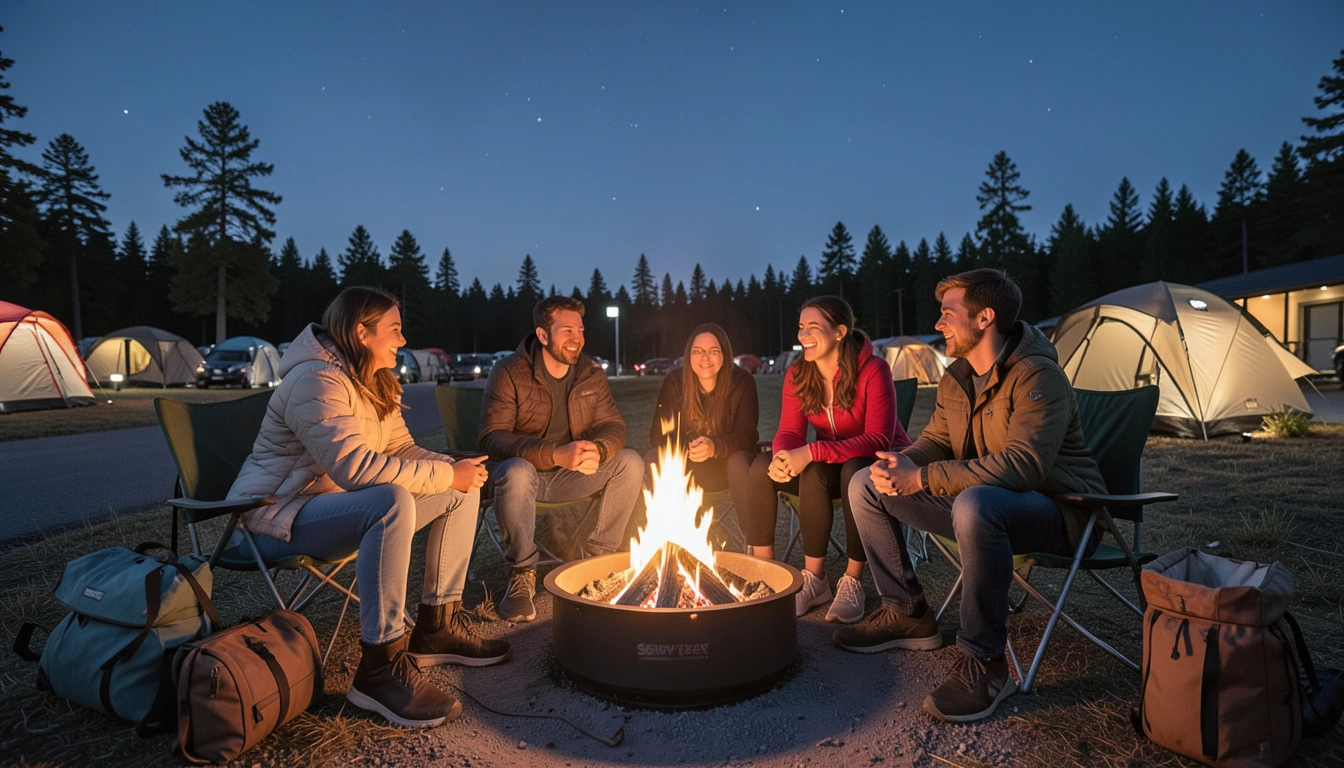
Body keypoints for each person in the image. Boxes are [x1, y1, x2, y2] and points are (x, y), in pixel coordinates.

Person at [230, 287, 510, 730]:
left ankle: (438, 623)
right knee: (390, 501)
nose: (402, 340)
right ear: (362, 332)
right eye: (394, 330)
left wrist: (451, 467)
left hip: (332, 507)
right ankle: (380, 667)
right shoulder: (315, 380)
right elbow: (355, 470)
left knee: (462, 489)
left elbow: (400, 448)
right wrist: (443, 474)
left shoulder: (372, 380)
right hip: (273, 517)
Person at [835, 268, 1106, 724]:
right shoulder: (957, 377)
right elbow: (936, 441)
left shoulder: (1039, 376)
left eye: (947, 314)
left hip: (1062, 512)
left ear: (984, 318)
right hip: (980, 506)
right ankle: (907, 612)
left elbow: (1024, 467)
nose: (938, 324)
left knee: (975, 504)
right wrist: (901, 463)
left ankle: (985, 661)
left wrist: (923, 478)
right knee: (864, 483)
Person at [727, 296, 910, 622]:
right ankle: (789, 578)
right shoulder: (799, 373)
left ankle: (850, 580)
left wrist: (810, 452)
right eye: (801, 327)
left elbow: (878, 440)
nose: (804, 335)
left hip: (875, 465)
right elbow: (789, 430)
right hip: (829, 465)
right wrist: (783, 456)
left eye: (814, 327)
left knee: (851, 471)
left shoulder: (873, 369)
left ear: (840, 331)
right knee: (764, 467)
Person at [479, 295, 643, 623]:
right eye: (566, 330)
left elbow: (613, 424)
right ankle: (522, 574)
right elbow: (492, 437)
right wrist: (554, 453)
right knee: (518, 470)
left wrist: (600, 449)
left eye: (580, 330)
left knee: (630, 462)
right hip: (521, 479)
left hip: (571, 477)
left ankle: (598, 561)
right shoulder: (510, 371)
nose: (577, 338)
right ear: (543, 335)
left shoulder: (590, 372)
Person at [646, 323, 759, 495]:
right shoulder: (675, 382)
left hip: (725, 466)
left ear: (725, 355)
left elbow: (747, 436)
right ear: (689, 355)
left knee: (740, 461)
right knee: (654, 457)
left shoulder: (742, 383)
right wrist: (685, 450)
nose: (705, 358)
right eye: (697, 351)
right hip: (683, 465)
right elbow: (657, 434)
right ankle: (669, 520)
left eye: (713, 351)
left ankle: (751, 523)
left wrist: (714, 447)